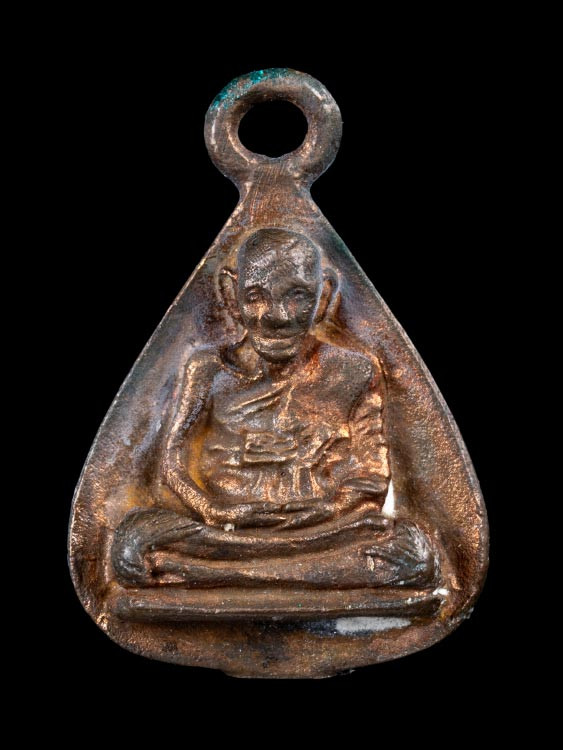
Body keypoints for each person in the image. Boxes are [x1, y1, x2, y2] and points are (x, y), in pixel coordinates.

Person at [112, 228, 437, 589]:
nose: (277, 316)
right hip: (227, 527)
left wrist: (330, 509)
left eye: (298, 296)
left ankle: (207, 575)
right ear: (230, 294)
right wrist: (210, 509)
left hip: (323, 529)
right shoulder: (208, 369)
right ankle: (288, 577)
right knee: (136, 539)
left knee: (409, 552)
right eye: (255, 296)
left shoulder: (353, 371)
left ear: (324, 295)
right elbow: (172, 461)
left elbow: (371, 471)